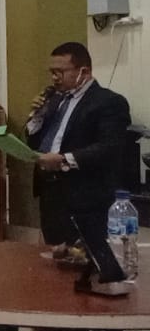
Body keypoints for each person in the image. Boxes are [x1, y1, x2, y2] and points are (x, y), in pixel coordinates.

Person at [26, 42, 132, 250]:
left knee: (83, 257)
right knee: (54, 255)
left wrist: (64, 160)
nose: (54, 78)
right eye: (52, 72)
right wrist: (37, 117)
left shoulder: (109, 102)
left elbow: (109, 147)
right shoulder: (54, 99)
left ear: (84, 71)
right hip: (50, 194)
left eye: (60, 72)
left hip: (85, 196)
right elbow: (38, 142)